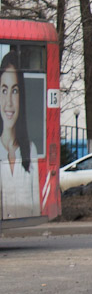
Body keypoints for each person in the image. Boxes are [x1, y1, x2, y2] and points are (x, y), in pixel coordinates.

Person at [0, 51, 40, 217]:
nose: (9, 101)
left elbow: (37, 209)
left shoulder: (31, 150)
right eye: (4, 90)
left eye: (15, 91)